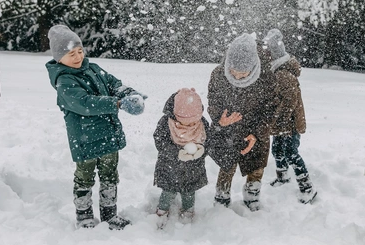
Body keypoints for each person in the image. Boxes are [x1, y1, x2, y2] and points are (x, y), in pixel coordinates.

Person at [45, 25, 146, 230]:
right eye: (71, 54)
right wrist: (116, 104)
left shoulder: (93, 69)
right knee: (85, 178)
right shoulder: (64, 81)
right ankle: (84, 217)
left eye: (80, 51)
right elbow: (85, 103)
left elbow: (113, 84)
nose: (77, 57)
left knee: (110, 176)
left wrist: (129, 94)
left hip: (108, 135)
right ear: (59, 58)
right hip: (85, 139)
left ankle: (110, 214)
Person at [207, 33, 278, 211]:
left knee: (256, 165)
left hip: (255, 130)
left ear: (253, 67)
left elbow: (271, 108)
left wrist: (257, 133)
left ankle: (252, 195)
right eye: (233, 72)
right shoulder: (218, 74)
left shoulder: (266, 77)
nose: (237, 78)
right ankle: (222, 195)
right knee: (227, 163)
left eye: (243, 74)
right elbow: (213, 101)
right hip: (228, 130)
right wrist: (220, 120)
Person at [263, 29, 316, 204]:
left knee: (291, 153)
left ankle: (307, 187)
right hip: (282, 124)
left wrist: (276, 120)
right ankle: (283, 177)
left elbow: (288, 104)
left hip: (289, 125)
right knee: (278, 151)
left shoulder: (283, 75)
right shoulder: (278, 72)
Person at [153, 88, 212, 228]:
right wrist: (177, 153)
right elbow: (160, 142)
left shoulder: (202, 123)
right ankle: (162, 210)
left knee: (189, 191)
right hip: (170, 167)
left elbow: (209, 141)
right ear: (177, 115)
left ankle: (188, 210)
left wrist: (202, 151)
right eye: (187, 122)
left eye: (194, 122)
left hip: (193, 167)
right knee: (168, 191)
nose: (192, 125)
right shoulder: (166, 123)